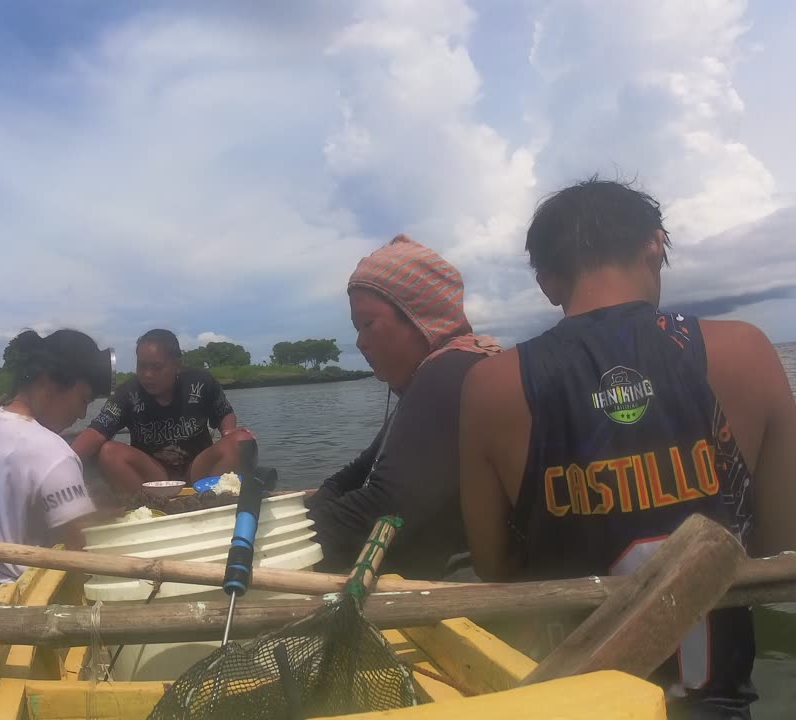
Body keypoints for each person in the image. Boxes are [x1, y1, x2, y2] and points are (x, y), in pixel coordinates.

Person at [458, 178, 796, 719]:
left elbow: (494, 566)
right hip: (715, 701)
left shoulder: (491, 386)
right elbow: (781, 545)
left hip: (576, 702)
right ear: (655, 244)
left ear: (547, 283)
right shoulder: (746, 352)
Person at [306, 234, 501, 579]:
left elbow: (385, 505)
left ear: (420, 317)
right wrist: (313, 510)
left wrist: (282, 539)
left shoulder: (451, 374)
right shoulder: (431, 377)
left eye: (368, 324)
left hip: (456, 582)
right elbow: (357, 472)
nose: (360, 342)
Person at [0, 328, 116, 603]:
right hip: (36, 597)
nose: (83, 414)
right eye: (83, 399)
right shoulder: (53, 452)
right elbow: (80, 553)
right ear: (50, 382)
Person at [71, 329, 254, 494]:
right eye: (142, 366)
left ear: (177, 365)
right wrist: (62, 464)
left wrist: (228, 431)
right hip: (154, 476)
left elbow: (225, 413)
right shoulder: (128, 393)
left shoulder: (200, 383)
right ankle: (148, 510)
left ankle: (213, 501)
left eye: (156, 368)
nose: (148, 375)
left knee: (241, 441)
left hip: (198, 469)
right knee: (109, 452)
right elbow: (97, 432)